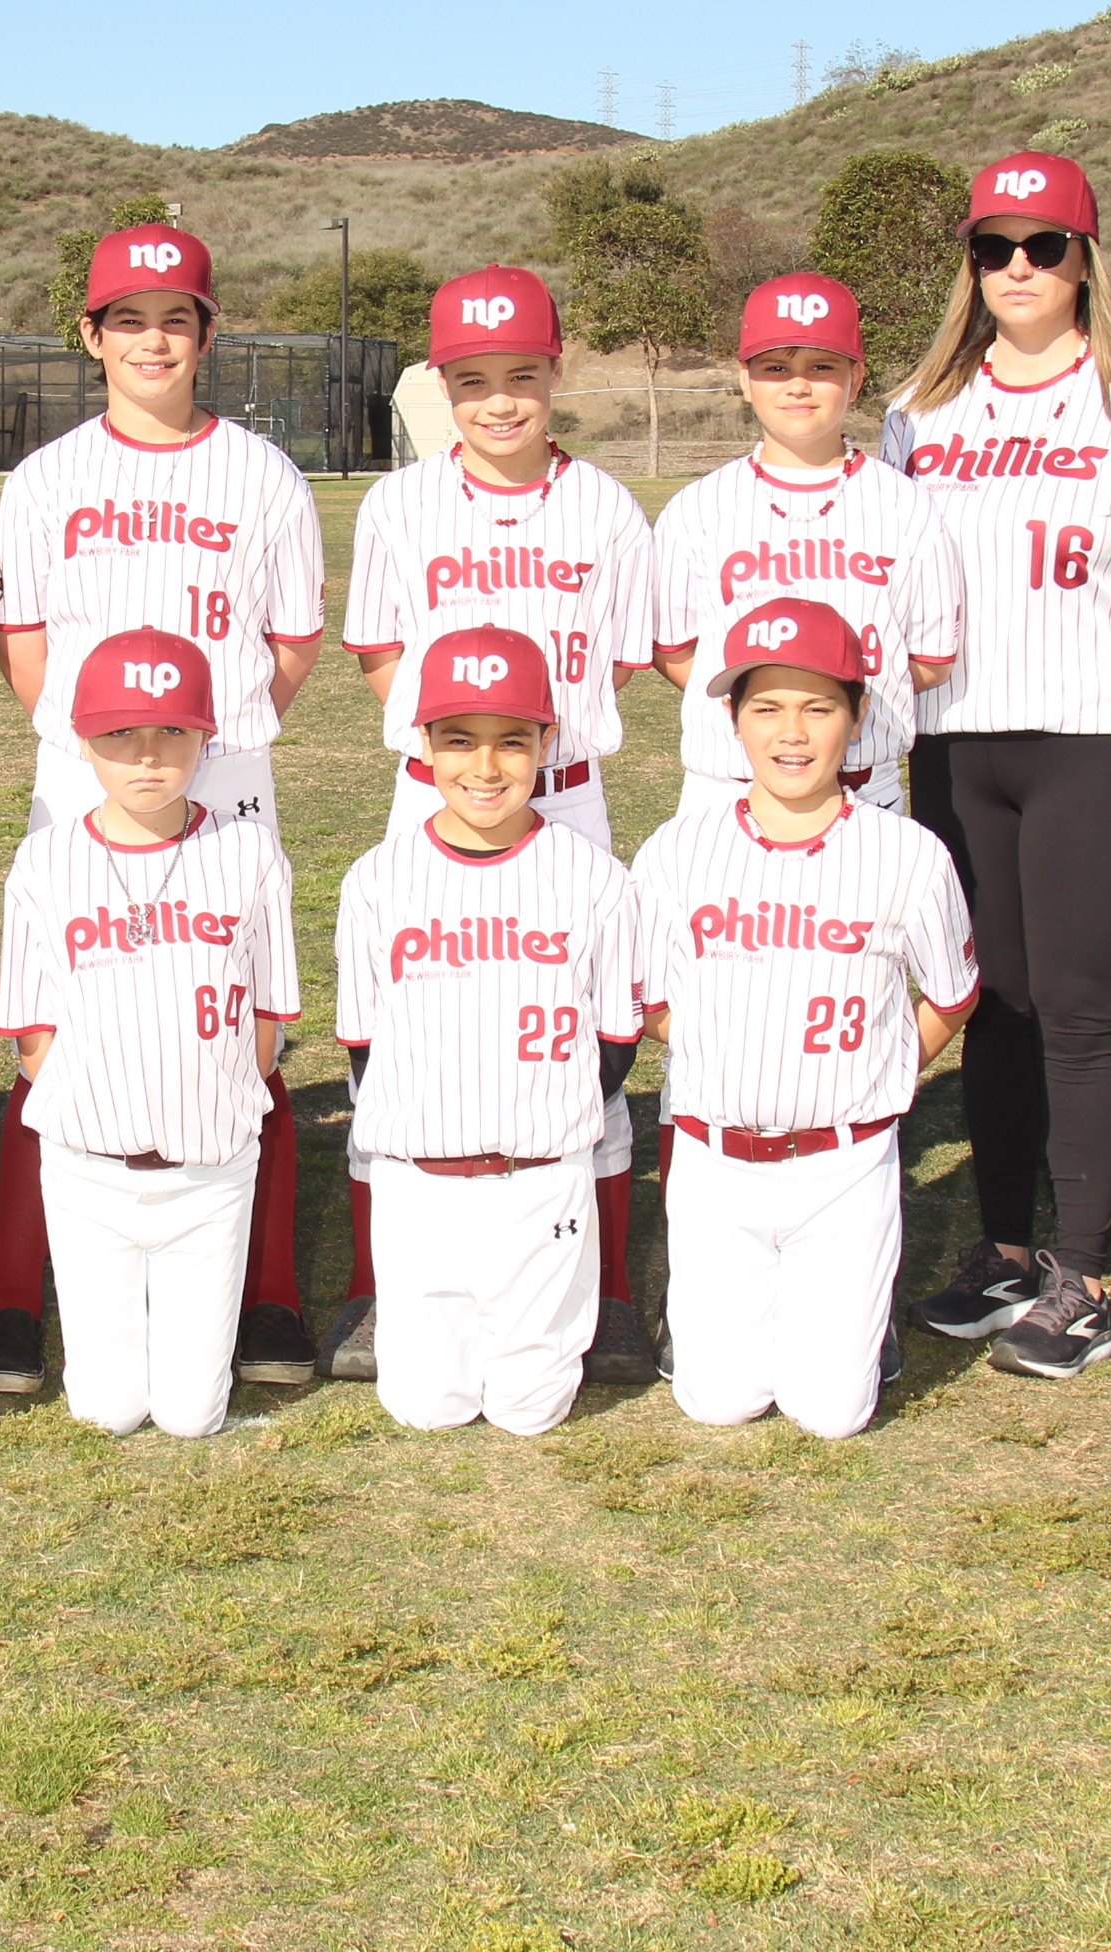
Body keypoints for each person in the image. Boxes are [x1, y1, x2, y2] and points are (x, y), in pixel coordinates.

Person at [881, 152, 1111, 1378]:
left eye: (1045, 245)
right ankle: (1004, 1255)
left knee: (1078, 1015)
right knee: (992, 1000)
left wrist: (1106, 654)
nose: (1019, 267)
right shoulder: (921, 411)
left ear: (1086, 258)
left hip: (1099, 742)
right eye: (995, 247)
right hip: (957, 740)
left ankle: (1081, 1281)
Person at [0, 224, 327, 1393]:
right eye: (127, 319)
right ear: (91, 335)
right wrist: (100, 747)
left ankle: (267, 1292)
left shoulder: (263, 474)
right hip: (85, 772)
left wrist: (208, 741)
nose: (153, 340)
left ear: (207, 333)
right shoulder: (48, 478)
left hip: (219, 769)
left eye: (177, 318)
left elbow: (289, 644)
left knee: (238, 1016)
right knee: (60, 1019)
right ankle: (18, 1297)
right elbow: (25, 644)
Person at [328, 265, 657, 1390]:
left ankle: (605, 1292)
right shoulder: (399, 505)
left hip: (563, 791)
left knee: (581, 1032)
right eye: (473, 380)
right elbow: (380, 650)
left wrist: (525, 759)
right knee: (408, 1035)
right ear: (442, 385)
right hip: (436, 792)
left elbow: (617, 658)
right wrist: (459, 760)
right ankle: (385, 1288)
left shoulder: (605, 507)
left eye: (521, 375)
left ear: (555, 373)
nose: (500, 401)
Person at [633, 599, 978, 1438]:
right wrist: (718, 1041)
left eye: (819, 708)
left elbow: (953, 993)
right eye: (767, 708)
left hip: (845, 1164)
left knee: (832, 1415)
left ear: (857, 718)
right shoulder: (679, 849)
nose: (792, 733)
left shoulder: (908, 853)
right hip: (715, 1161)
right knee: (720, 1404)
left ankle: (841, 1319)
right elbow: (644, 997)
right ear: (733, 720)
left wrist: (887, 1066)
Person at [334, 630, 644, 1438]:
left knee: (528, 1409)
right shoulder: (377, 879)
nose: (485, 766)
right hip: (419, 1179)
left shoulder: (595, 877)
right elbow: (363, 1044)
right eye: (459, 739)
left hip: (541, 1176)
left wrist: (539, 1121)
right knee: (426, 1407)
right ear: (423, 744)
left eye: (512, 740)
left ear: (548, 741)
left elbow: (616, 1042)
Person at [0, 631, 300, 1440]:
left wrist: (212, 1106)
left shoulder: (248, 851)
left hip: (209, 1172)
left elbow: (266, 1018)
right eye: (120, 733)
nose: (147, 755)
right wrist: (101, 1113)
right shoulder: (45, 859)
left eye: (171, 730)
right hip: (89, 1174)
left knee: (192, 1415)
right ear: (81, 739)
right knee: (107, 1410)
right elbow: (33, 1035)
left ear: (207, 736)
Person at [653, 273, 961, 818]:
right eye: (775, 368)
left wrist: (836, 707)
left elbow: (930, 660)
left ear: (856, 378)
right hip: (726, 788)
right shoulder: (698, 507)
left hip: (863, 786)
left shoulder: (907, 505)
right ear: (745, 380)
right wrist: (768, 707)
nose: (798, 386)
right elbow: (677, 651)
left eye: (822, 367)